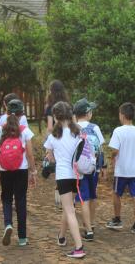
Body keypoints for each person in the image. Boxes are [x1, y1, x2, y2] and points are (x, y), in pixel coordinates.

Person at [0, 99, 37, 246]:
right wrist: (33, 171)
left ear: (6, 112)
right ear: (21, 114)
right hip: (21, 170)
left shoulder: (1, 129)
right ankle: (22, 238)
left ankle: (8, 224)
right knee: (21, 200)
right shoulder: (24, 130)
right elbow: (30, 154)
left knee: (6, 198)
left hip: (5, 170)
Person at [43, 101, 86, 258]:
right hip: (77, 176)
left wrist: (53, 157)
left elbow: (50, 158)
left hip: (62, 176)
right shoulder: (78, 132)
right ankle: (61, 236)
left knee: (69, 210)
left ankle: (79, 247)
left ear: (55, 116)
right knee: (69, 208)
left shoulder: (53, 136)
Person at [106, 102, 135, 236]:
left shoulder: (118, 131)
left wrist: (112, 157)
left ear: (122, 115)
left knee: (116, 193)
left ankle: (118, 219)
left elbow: (115, 150)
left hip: (122, 169)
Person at [73, 98, 107, 241]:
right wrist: (103, 166)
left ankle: (88, 230)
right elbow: (100, 148)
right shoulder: (94, 127)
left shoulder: (72, 128)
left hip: (78, 170)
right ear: (88, 113)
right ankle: (91, 224)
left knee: (83, 198)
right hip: (94, 168)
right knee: (93, 196)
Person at [44, 80, 69, 208]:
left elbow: (49, 127)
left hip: (56, 138)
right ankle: (69, 200)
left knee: (59, 169)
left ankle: (59, 201)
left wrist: (48, 143)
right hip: (69, 137)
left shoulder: (50, 107)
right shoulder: (68, 105)